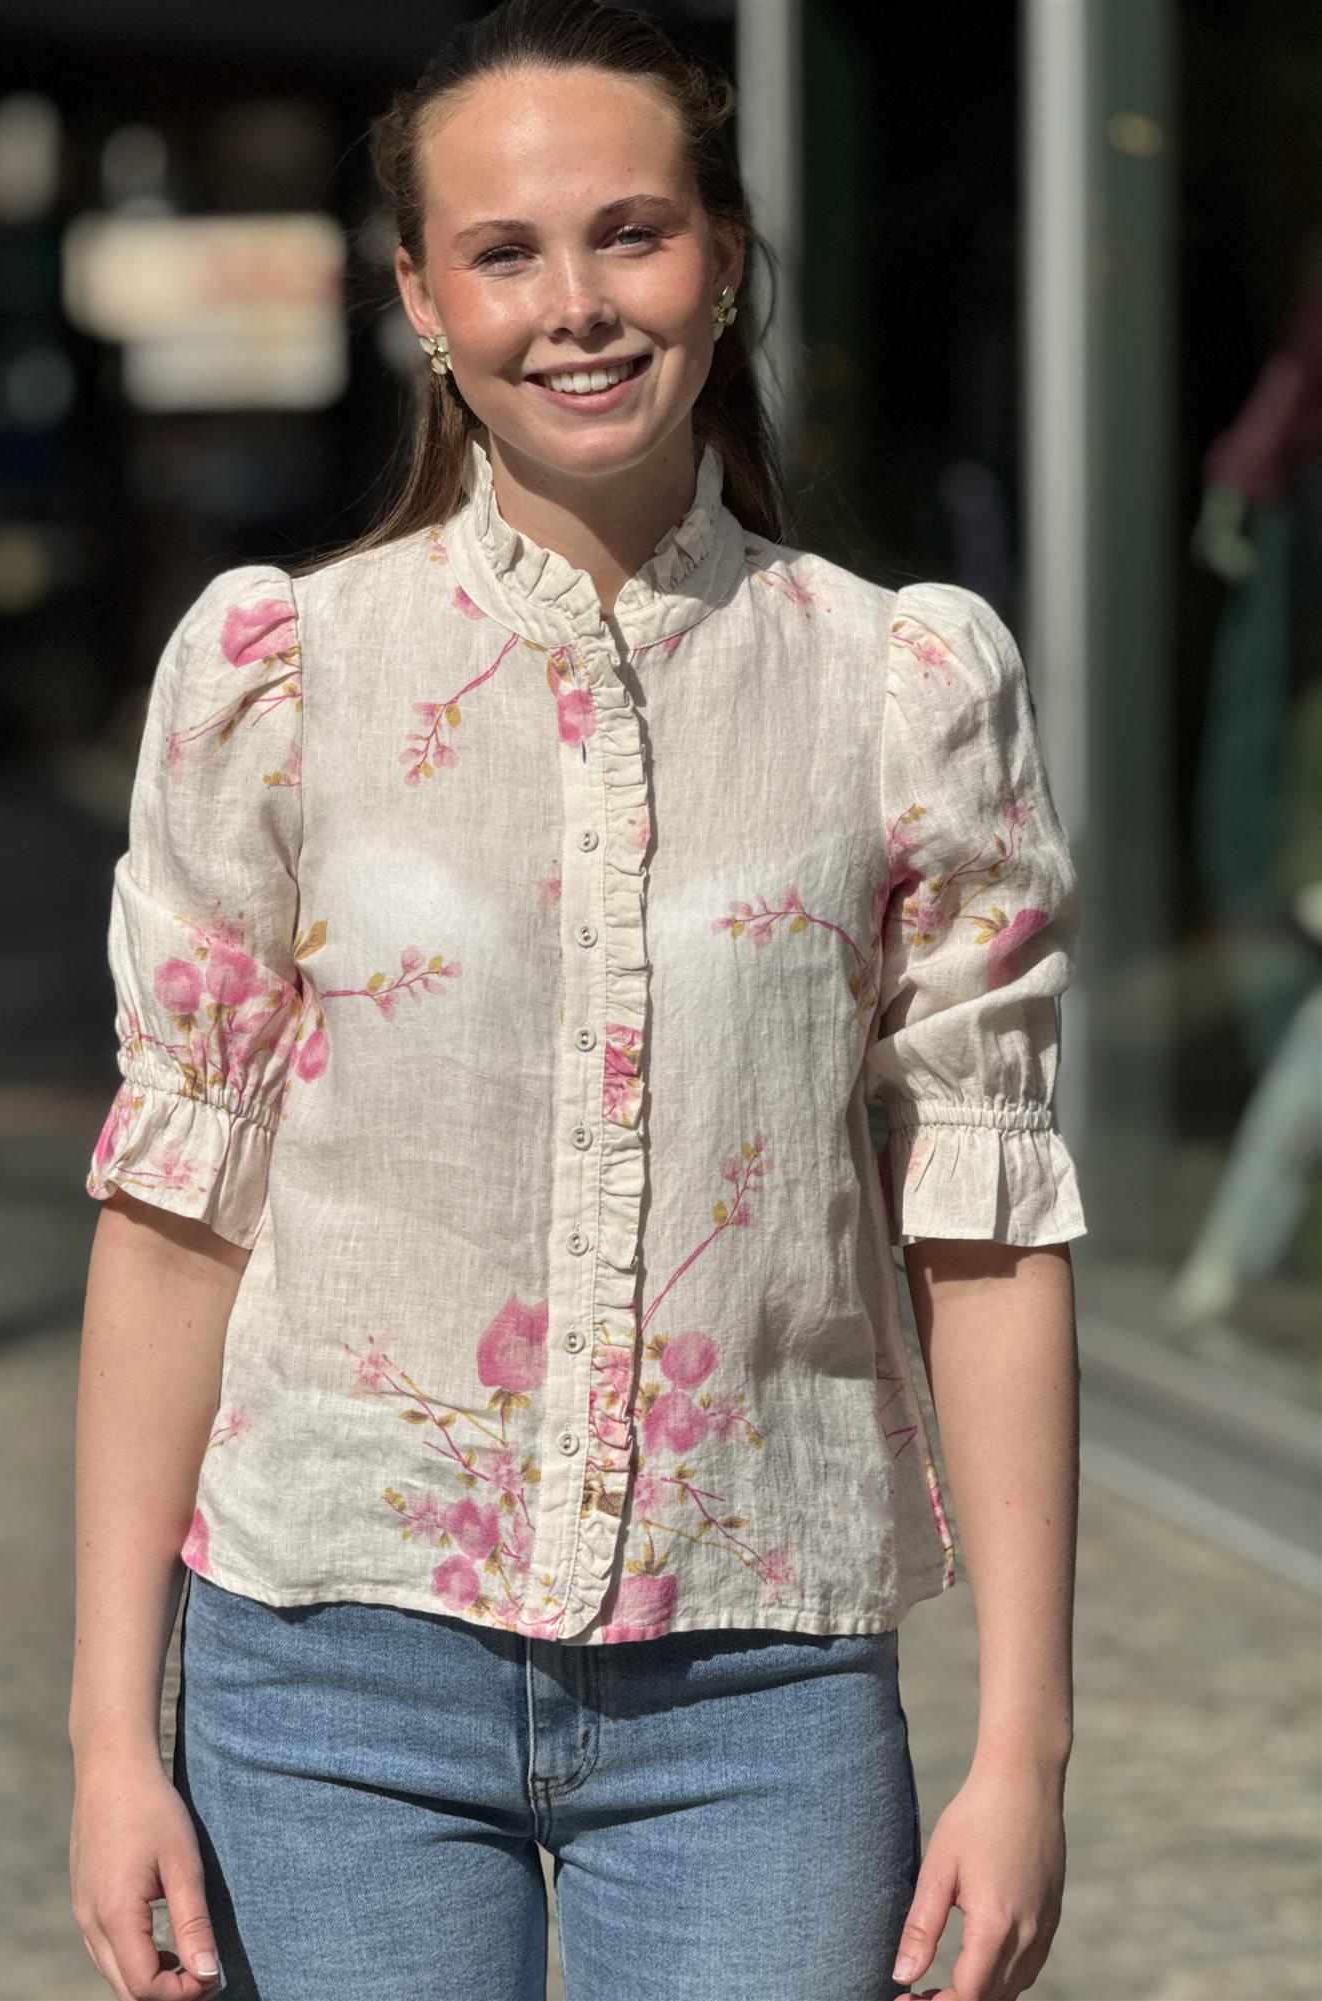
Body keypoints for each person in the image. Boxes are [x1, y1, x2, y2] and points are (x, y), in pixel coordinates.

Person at [68, 4, 1086, 1998]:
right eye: (505, 252)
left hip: (761, 1687)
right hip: (326, 1671)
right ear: (422, 300)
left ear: (726, 256)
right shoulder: (281, 677)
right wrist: (113, 1737)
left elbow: (989, 1225)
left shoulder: (901, 686)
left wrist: (1025, 1745)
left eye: (631, 232)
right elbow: (178, 1218)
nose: (577, 306)